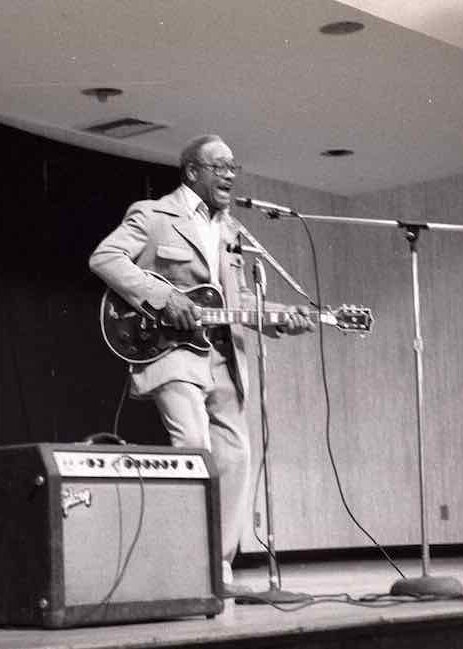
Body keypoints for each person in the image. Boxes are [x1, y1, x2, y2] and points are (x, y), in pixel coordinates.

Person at [88, 135, 315, 595]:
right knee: (192, 444)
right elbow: (105, 257)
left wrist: (278, 322)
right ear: (193, 171)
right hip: (170, 350)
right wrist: (163, 296)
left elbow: (233, 301)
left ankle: (218, 568)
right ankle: (182, 563)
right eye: (221, 166)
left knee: (236, 454)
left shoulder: (231, 229)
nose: (231, 174)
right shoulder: (154, 215)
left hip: (222, 354)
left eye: (234, 166)